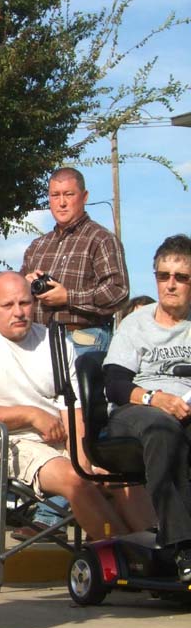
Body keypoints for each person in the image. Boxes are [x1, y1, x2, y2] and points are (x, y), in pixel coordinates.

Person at [0, 271, 129, 540]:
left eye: (25, 303)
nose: (18, 312)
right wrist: (31, 415)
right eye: (8, 305)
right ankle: (124, 555)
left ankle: (157, 555)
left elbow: (73, 412)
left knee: (123, 479)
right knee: (76, 480)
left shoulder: (55, 342)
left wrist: (85, 462)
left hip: (58, 442)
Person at [103, 234, 191, 580]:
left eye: (180, 277)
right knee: (162, 428)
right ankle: (182, 545)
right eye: (163, 275)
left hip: (184, 409)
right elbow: (115, 383)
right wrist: (158, 399)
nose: (170, 285)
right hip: (137, 411)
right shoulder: (135, 325)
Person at [21, 167, 129, 355]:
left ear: (84, 197)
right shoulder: (37, 245)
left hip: (82, 338)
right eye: (55, 195)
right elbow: (15, 294)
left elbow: (118, 291)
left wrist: (68, 297)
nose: (61, 203)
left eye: (68, 194)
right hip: (37, 340)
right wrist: (24, 284)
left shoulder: (101, 239)